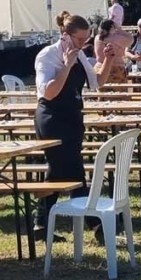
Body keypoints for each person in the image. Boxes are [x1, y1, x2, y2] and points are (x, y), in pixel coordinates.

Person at [32, 12, 114, 241]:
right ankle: (96, 225)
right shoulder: (47, 56)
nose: (82, 44)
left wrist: (107, 60)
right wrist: (66, 65)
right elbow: (48, 92)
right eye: (79, 40)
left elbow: (98, 82)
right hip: (51, 118)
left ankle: (41, 224)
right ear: (65, 35)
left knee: (58, 170)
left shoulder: (79, 56)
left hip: (73, 117)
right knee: (73, 169)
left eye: (86, 40)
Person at [93, 19, 132, 87]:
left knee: (103, 95)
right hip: (116, 69)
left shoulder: (97, 38)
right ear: (111, 27)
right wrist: (119, 29)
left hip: (100, 67)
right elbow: (131, 39)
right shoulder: (115, 37)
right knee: (119, 95)